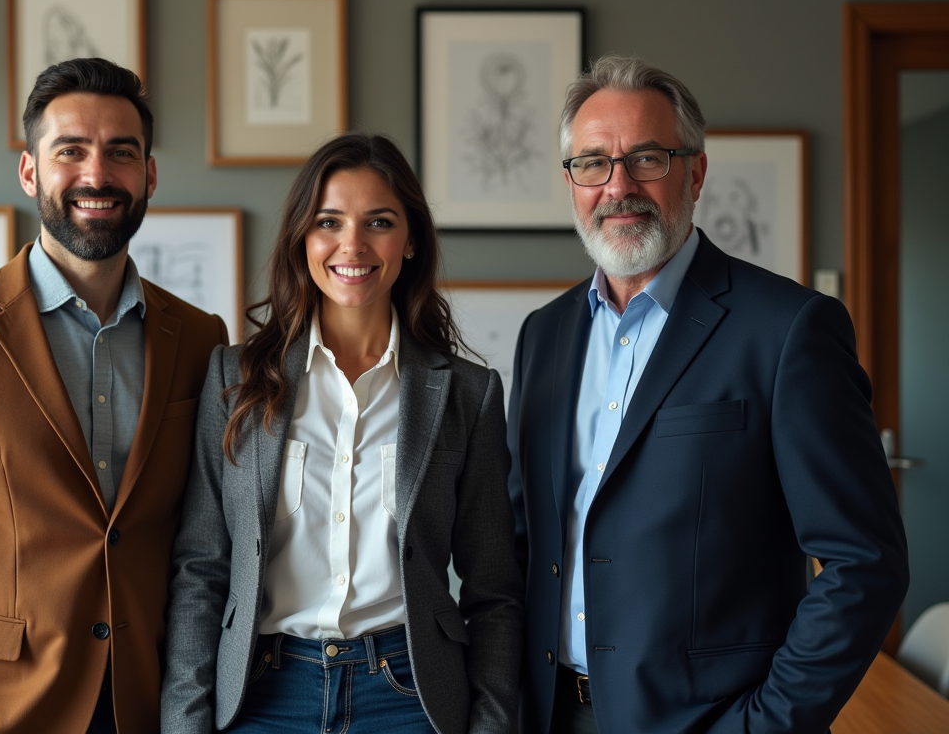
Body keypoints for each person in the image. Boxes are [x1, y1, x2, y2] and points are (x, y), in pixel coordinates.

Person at [507, 54, 908, 734]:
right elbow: (522, 540)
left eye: (647, 159)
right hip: (548, 716)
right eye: (592, 164)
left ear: (695, 173)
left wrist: (769, 723)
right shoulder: (543, 337)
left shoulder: (788, 331)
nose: (618, 186)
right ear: (571, 182)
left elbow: (863, 562)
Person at [0, 58, 227, 734]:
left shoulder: (201, 339)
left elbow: (199, 546)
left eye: (121, 152)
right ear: (31, 171)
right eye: (71, 151)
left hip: (149, 705)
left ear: (149, 175)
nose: (98, 175)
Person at [160, 133, 523, 734]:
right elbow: (201, 568)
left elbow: (494, 591)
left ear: (409, 242)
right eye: (328, 221)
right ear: (302, 237)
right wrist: (185, 723)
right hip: (262, 695)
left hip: (410, 697)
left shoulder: (467, 394)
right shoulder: (236, 379)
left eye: (378, 221)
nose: (351, 244)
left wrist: (489, 725)